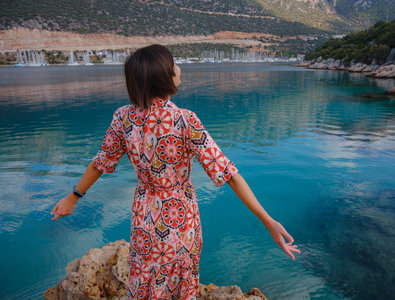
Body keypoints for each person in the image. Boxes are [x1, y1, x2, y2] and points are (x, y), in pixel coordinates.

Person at [50, 44, 300, 299]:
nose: (178, 68)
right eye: (174, 65)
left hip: (144, 216)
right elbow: (229, 175)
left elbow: (99, 164)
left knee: (145, 277)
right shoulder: (185, 120)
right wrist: (268, 222)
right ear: (165, 76)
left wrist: (74, 197)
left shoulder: (123, 118)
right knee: (180, 282)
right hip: (180, 218)